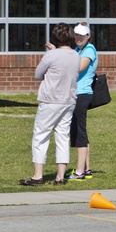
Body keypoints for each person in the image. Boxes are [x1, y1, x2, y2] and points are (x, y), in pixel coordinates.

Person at [19, 23, 80, 186]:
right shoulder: (75, 55)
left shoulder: (51, 55)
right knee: (62, 136)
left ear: (55, 37)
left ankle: (38, 175)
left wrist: (51, 53)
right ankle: (61, 176)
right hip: (69, 100)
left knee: (40, 135)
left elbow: (38, 74)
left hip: (51, 100)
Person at [67, 22, 97, 181]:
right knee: (80, 131)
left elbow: (79, 67)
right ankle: (87, 168)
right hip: (76, 94)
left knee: (79, 132)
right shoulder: (77, 50)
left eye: (82, 35)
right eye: (76, 34)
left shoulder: (89, 50)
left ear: (88, 35)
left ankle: (80, 172)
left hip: (82, 94)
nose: (78, 37)